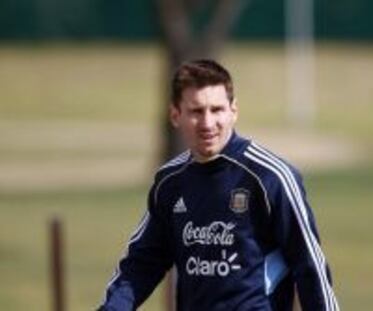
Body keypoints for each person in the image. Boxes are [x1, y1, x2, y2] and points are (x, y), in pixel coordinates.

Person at [97, 59, 339, 311]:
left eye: (217, 110)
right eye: (196, 111)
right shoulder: (170, 182)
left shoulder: (271, 177)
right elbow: (143, 262)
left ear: (233, 111)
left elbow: (310, 266)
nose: (207, 123)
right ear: (175, 115)